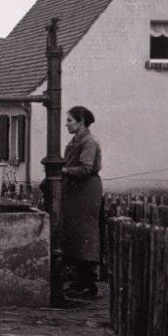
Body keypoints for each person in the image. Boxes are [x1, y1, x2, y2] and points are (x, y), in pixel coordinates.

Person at [61, 105, 103, 301]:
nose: (66, 124)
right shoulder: (75, 140)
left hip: (86, 190)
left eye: (70, 120)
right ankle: (79, 282)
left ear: (81, 122)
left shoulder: (89, 142)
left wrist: (64, 171)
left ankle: (89, 284)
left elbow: (86, 168)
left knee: (85, 235)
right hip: (75, 190)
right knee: (74, 235)